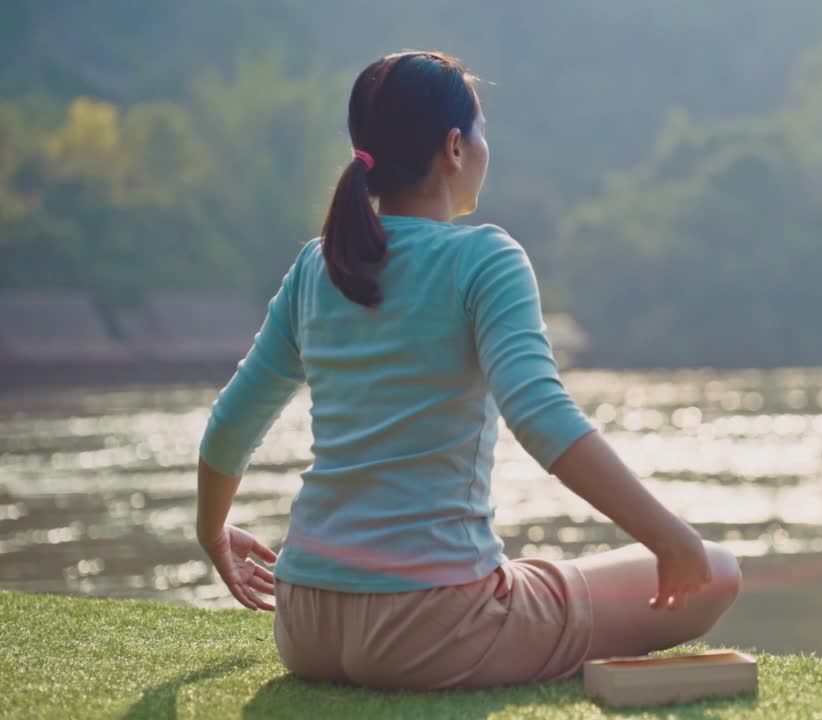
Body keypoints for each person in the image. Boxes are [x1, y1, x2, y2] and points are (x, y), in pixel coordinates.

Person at [194, 50, 740, 691]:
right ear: (455, 147)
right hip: (434, 628)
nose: (485, 148)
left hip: (304, 623)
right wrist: (670, 537)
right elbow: (541, 416)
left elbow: (232, 422)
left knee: (544, 577)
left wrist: (214, 535)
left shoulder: (317, 268)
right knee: (720, 569)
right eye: (480, 132)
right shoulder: (485, 258)